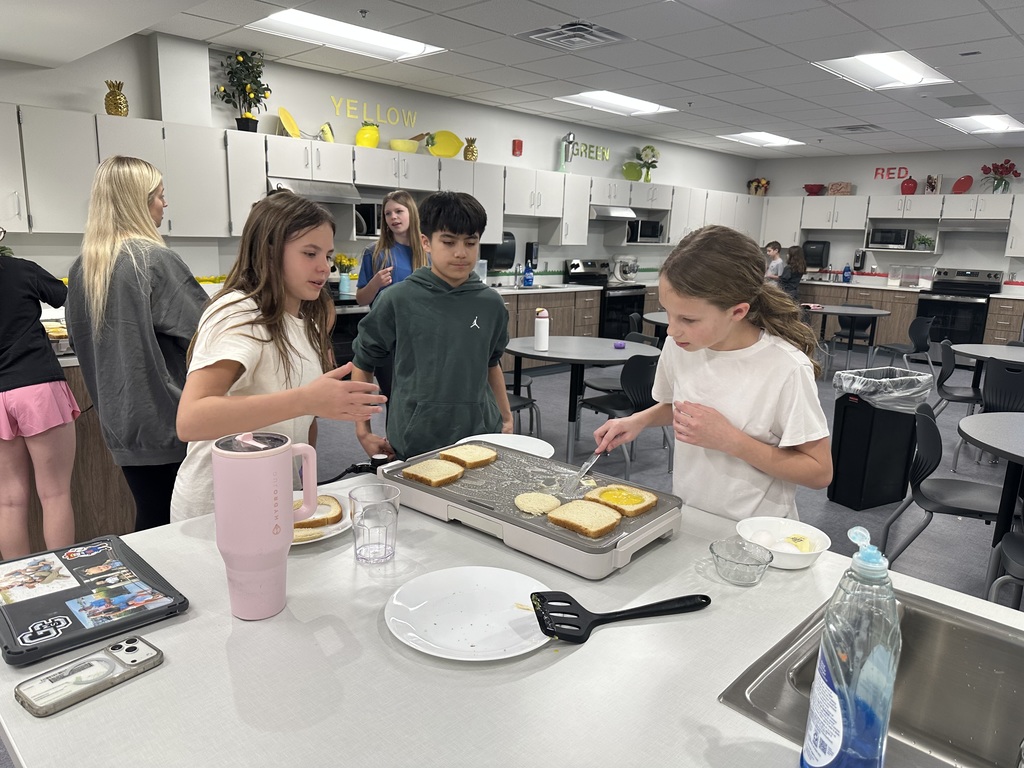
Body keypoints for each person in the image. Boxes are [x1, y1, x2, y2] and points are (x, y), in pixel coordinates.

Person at [170, 191, 386, 521]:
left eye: (327, 255)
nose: (324, 267)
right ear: (270, 251)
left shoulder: (305, 319)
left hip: (273, 498)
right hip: (219, 507)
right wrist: (306, 400)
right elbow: (191, 419)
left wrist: (303, 486)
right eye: (309, 253)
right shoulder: (238, 314)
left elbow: (304, 423)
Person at [594, 225, 832, 521]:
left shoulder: (786, 367)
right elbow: (678, 407)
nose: (672, 328)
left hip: (757, 532)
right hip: (692, 516)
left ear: (737, 312)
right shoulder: (680, 345)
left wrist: (731, 440)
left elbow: (819, 471)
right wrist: (638, 420)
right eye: (667, 311)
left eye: (688, 319)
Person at [66, 156, 208, 532]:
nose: (165, 204)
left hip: (121, 425)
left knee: (152, 517)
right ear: (138, 202)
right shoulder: (154, 260)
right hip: (171, 420)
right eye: (160, 196)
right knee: (185, 525)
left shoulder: (84, 268)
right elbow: (207, 333)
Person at [350, 190, 513, 461]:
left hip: (480, 434)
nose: (461, 253)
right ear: (426, 242)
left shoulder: (491, 303)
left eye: (470, 243)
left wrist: (506, 418)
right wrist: (362, 430)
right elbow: (363, 363)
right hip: (416, 437)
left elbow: (491, 363)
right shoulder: (397, 299)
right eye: (448, 242)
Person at [0, 227, 80, 558]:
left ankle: (20, 594)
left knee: (8, 500)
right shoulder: (22, 270)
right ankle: (64, 584)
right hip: (37, 387)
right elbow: (71, 299)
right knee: (55, 494)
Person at [354, 190, 428, 404]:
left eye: (399, 211)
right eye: (388, 214)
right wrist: (375, 283)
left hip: (421, 338)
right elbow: (361, 299)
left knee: (421, 400)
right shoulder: (375, 252)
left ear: (411, 214)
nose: (393, 217)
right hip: (388, 341)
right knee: (394, 400)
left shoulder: (426, 252)